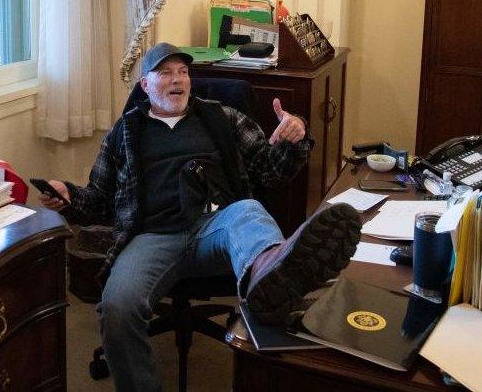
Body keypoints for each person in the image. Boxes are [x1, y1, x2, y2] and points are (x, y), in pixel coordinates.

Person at [39, 42, 360, 391]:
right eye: (165, 73)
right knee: (116, 308)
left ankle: (270, 274)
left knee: (248, 211)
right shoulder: (124, 134)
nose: (178, 80)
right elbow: (100, 202)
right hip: (152, 237)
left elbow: (271, 172)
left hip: (217, 228)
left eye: (183, 72)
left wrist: (294, 139)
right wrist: (69, 198)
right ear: (144, 85)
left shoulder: (222, 117)